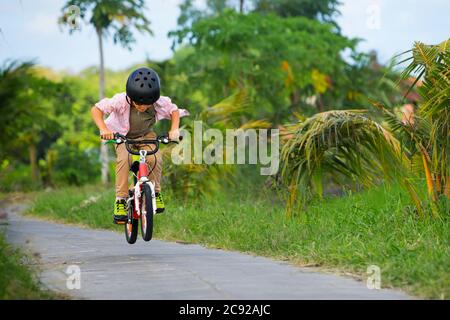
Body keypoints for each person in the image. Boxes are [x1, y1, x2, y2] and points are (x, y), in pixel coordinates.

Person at [91, 67, 189, 223]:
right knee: (125, 159)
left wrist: (174, 129)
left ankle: (155, 193)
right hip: (122, 137)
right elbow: (97, 109)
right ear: (130, 96)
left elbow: (174, 110)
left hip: (146, 136)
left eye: (147, 104)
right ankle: (121, 200)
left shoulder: (157, 101)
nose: (143, 107)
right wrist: (103, 129)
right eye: (138, 103)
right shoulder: (120, 100)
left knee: (155, 158)